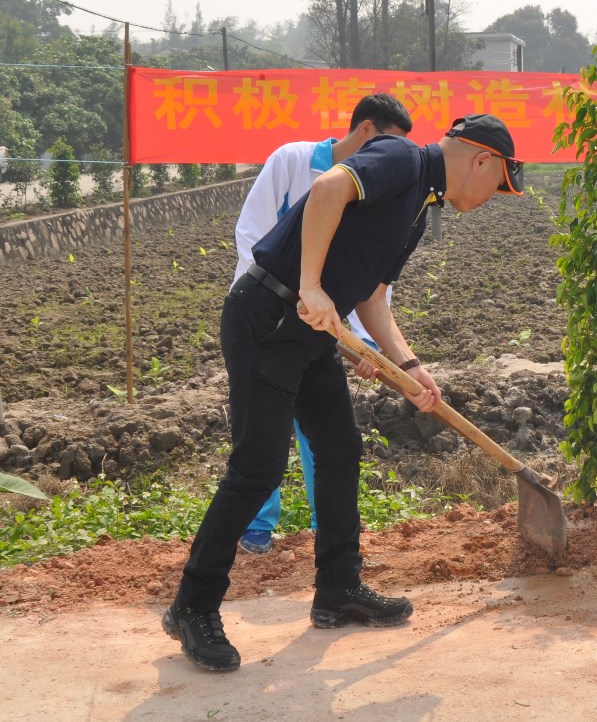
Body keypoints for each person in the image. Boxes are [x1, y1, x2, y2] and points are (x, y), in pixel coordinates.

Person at [163, 114, 525, 671]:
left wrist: (408, 364)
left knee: (338, 450)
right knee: (257, 467)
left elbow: (372, 298)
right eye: (498, 183)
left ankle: (338, 589)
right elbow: (328, 188)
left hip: (309, 331)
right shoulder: (402, 159)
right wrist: (310, 286)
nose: (492, 196)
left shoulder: (417, 211)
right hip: (267, 314)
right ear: (481, 159)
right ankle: (192, 605)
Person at [231, 93, 415, 555]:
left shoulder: (376, 193)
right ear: (366, 132)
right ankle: (255, 527)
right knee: (259, 433)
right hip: (268, 320)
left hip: (323, 329)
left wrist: (367, 346)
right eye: (390, 149)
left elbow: (368, 283)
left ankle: (326, 526)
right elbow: (252, 236)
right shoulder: (292, 161)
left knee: (327, 435)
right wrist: (292, 296)